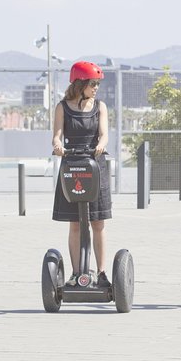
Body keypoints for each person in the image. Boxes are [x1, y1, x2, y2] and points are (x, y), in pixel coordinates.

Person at [52, 61, 112, 288]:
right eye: (92, 83)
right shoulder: (62, 107)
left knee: (98, 222)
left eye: (97, 83)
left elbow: (104, 134)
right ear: (80, 84)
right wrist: (58, 146)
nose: (96, 87)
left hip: (95, 165)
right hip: (72, 165)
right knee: (75, 224)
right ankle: (76, 273)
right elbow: (57, 135)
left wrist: (100, 145)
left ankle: (102, 272)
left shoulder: (100, 107)